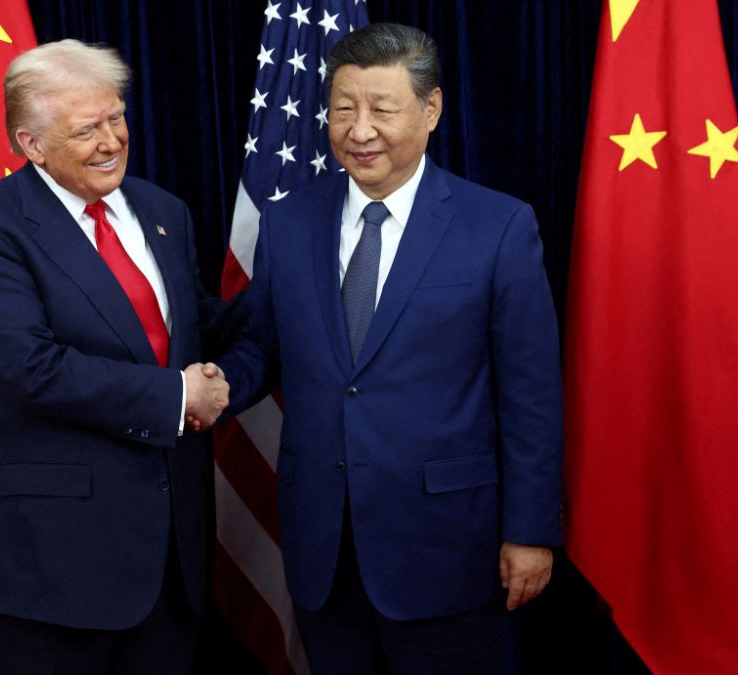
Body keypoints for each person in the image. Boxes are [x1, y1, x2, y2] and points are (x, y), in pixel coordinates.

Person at [214, 23, 563, 674]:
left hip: (447, 547)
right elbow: (263, 344)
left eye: (382, 108)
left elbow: (532, 396)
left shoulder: (498, 226)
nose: (359, 129)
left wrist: (531, 530)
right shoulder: (288, 222)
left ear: (430, 111)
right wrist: (211, 388)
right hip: (324, 546)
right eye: (343, 108)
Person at [0, 39, 238, 675]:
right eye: (86, 130)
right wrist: (179, 398)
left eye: (117, 117)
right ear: (32, 145)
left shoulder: (164, 211)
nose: (111, 141)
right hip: (55, 557)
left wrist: (292, 305)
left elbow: (191, 327)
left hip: (168, 549)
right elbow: (28, 369)